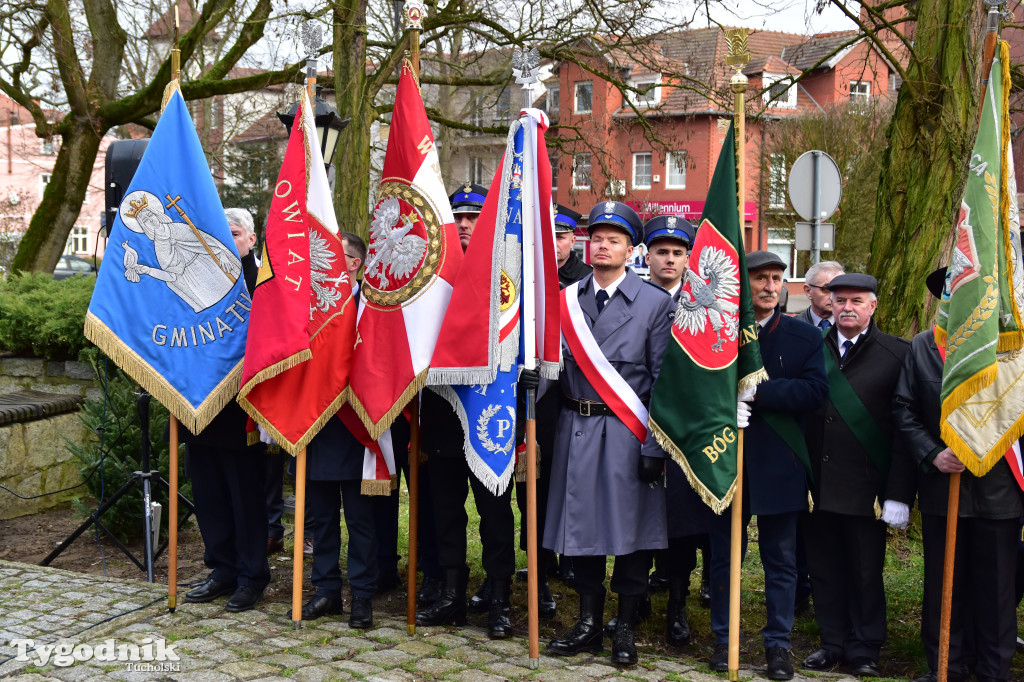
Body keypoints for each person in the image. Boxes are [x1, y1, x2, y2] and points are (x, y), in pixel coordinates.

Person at [545, 201, 673, 666]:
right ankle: (587, 622)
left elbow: (663, 381)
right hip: (575, 427)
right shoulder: (564, 300)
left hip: (626, 431)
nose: (602, 245)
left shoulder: (656, 304)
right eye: (596, 237)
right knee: (582, 530)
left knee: (631, 535)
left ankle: (623, 627)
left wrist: (654, 446)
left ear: (630, 249)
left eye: (613, 239)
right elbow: (550, 364)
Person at [891, 267, 1024, 682]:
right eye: (952, 290)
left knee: (997, 588)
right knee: (944, 583)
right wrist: (933, 453)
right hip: (943, 486)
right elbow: (904, 407)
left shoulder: (1013, 348)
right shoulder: (925, 346)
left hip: (999, 489)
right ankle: (946, 666)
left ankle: (992, 669)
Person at [706, 250, 829, 679]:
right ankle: (724, 640)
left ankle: (778, 645)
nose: (770, 286)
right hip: (726, 460)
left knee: (781, 561)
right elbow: (699, 386)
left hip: (781, 463)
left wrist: (758, 394)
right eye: (761, 278)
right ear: (745, 283)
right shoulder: (718, 333)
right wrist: (726, 403)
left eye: (777, 278)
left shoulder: (803, 337)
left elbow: (815, 392)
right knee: (724, 558)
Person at [416, 183, 518, 640]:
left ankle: (499, 601)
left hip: (491, 412)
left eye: (474, 218)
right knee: (445, 511)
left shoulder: (506, 275)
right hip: (442, 411)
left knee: (495, 515)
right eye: (458, 218)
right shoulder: (432, 278)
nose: (463, 225)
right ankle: (453, 596)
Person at [802, 273, 910, 677]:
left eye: (856, 301)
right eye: (839, 300)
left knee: (866, 570)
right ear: (829, 304)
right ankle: (832, 642)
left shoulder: (897, 353)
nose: (847, 307)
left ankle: (865, 646)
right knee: (824, 567)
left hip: (868, 487)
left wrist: (898, 492)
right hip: (818, 485)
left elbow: (904, 427)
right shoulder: (812, 346)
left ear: (873, 306)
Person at [183, 207, 269, 613]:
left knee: (244, 496)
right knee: (209, 494)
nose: (230, 240)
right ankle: (221, 569)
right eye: (223, 233)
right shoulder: (201, 276)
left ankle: (252, 575)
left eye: (235, 233)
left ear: (252, 239)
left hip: (245, 411)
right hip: (199, 405)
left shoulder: (265, 281)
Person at [795, 261, 844, 330]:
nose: (833, 297)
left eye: (838, 290)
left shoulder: (855, 328)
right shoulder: (791, 327)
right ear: (808, 291)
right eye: (826, 289)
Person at [554, 204, 591, 287]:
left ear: (572, 241)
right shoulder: (530, 273)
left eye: (560, 238)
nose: (554, 243)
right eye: (549, 237)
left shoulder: (588, 277)